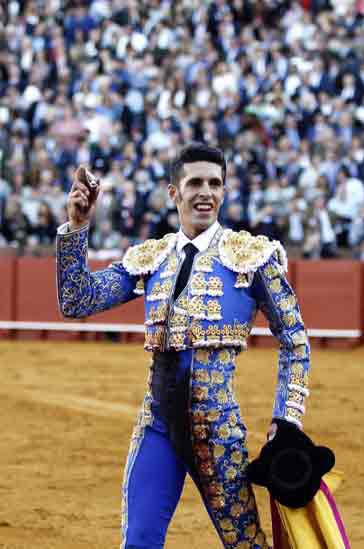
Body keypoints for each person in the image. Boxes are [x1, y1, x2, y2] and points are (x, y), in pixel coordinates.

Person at [56, 142, 310, 549]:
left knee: (247, 544)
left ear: (225, 191)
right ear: (174, 192)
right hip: (157, 426)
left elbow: (295, 340)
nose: (205, 192)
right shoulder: (151, 258)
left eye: (215, 183)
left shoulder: (251, 257)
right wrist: (78, 227)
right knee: (138, 541)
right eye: (194, 183)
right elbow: (77, 299)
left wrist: (287, 418)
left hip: (218, 431)